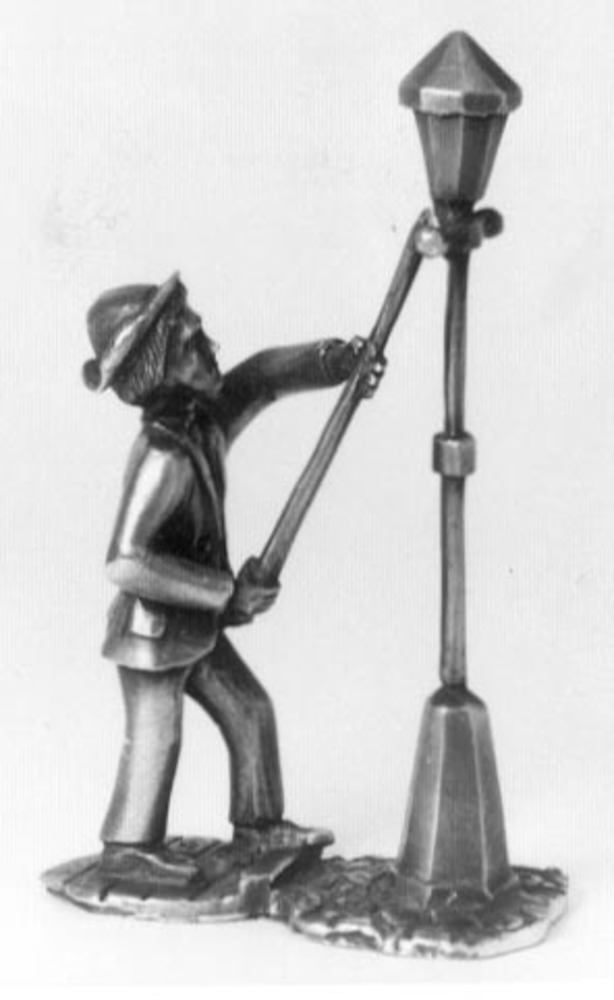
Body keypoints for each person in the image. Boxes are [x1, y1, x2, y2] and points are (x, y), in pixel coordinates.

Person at [82, 272, 384, 885]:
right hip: (151, 634)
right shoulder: (163, 454)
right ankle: (128, 851)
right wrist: (225, 594)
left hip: (191, 625)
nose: (211, 346)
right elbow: (126, 560)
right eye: (192, 343)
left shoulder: (204, 420)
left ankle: (258, 827)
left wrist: (334, 362)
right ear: (160, 368)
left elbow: (262, 377)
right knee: (157, 738)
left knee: (249, 710)